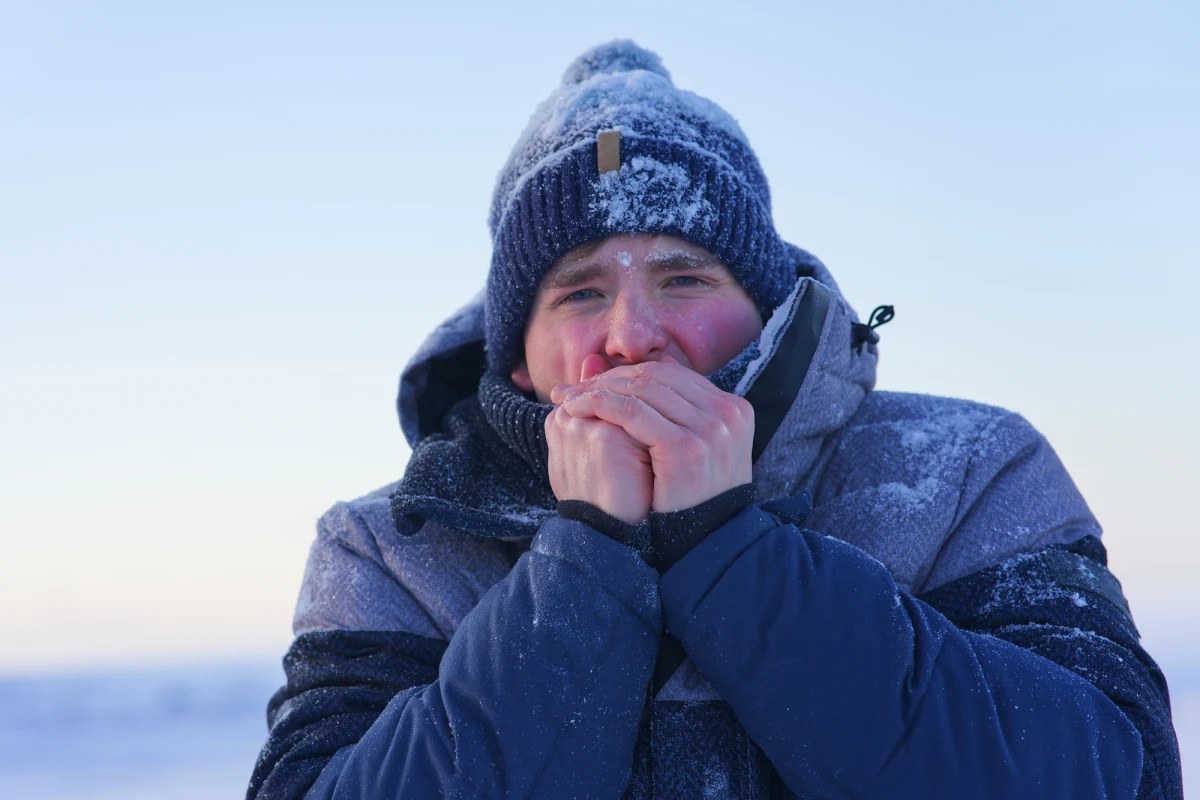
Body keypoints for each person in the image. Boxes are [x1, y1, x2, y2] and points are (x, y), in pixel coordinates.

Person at [247, 40, 1182, 799]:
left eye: (683, 277)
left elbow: (1114, 773)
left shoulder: (969, 471)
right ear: (519, 359)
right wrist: (586, 558)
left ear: (765, 309)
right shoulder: (391, 548)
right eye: (577, 293)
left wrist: (727, 551)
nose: (631, 335)